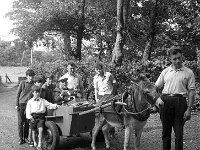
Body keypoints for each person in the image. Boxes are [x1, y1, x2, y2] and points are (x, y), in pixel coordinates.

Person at [155, 46, 196, 150]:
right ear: (170, 59)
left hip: (180, 102)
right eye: (174, 59)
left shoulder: (189, 72)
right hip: (165, 102)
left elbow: (191, 91)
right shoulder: (165, 72)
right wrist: (157, 101)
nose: (177, 61)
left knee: (179, 134)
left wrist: (189, 109)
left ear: (182, 57)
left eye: (179, 58)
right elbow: (156, 87)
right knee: (166, 133)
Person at [26, 85, 59, 150]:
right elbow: (28, 111)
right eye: (36, 92)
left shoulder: (43, 101)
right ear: (33, 92)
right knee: (34, 130)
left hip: (41, 117)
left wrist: (57, 106)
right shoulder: (30, 101)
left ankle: (39, 144)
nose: (37, 94)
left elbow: (50, 105)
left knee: (40, 129)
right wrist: (30, 117)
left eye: (38, 92)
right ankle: (34, 142)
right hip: (33, 117)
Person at [16, 69, 35, 145]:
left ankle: (25, 137)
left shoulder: (34, 84)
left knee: (27, 122)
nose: (31, 77)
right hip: (21, 104)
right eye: (29, 76)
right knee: (20, 122)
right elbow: (18, 94)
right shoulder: (23, 83)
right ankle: (20, 138)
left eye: (32, 76)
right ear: (27, 76)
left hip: (29, 106)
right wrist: (17, 104)